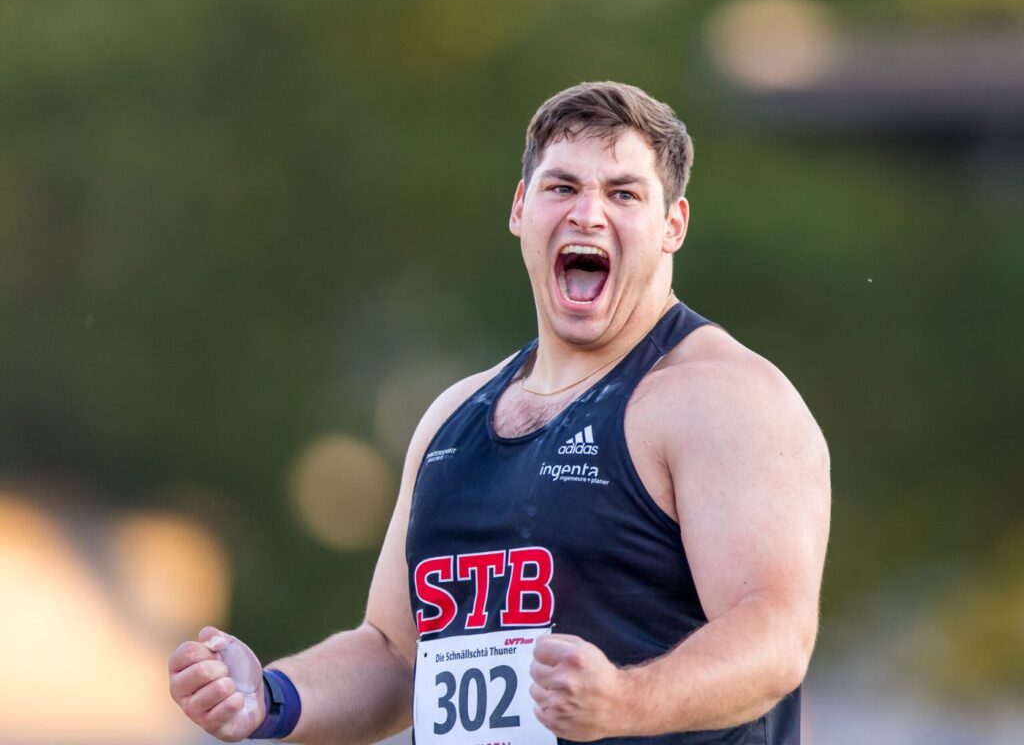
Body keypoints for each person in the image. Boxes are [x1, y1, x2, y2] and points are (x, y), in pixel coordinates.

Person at [169, 81, 830, 745]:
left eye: (623, 194)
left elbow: (774, 637)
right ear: (520, 208)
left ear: (672, 227)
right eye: (562, 188)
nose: (588, 215)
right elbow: (398, 656)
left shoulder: (722, 397)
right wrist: (271, 697)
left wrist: (623, 702)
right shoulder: (453, 417)